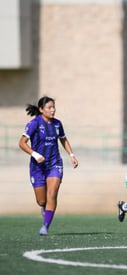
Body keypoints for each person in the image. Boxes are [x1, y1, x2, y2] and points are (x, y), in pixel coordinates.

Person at [18, 96, 79, 236]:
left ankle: (45, 226)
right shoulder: (34, 124)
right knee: (41, 200)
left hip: (54, 163)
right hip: (37, 166)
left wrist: (71, 155)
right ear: (41, 109)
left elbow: (63, 139)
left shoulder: (57, 124)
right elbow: (22, 143)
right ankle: (45, 208)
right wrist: (35, 155)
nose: (53, 110)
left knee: (52, 194)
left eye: (54, 107)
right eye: (49, 107)